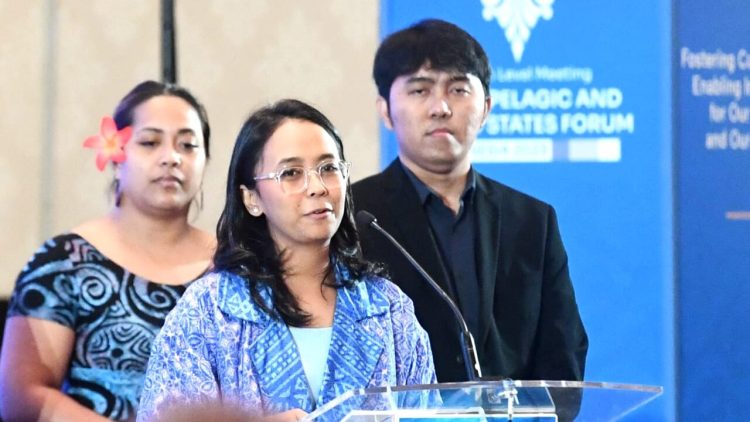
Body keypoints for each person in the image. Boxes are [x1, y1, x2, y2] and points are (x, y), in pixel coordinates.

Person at [137, 99, 436, 422]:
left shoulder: (388, 308)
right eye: (291, 173)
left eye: (329, 168)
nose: (317, 187)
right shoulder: (208, 311)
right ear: (251, 198)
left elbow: (429, 415)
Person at [352, 19, 588, 383]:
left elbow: (563, 353)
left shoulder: (532, 220)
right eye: (420, 90)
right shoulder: (354, 217)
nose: (440, 107)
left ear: (487, 108)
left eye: (458, 89)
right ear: (385, 110)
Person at [0, 80, 215, 421]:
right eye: (150, 142)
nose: (171, 158)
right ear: (116, 158)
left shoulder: (235, 266)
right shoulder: (64, 262)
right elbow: (20, 397)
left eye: (188, 145)